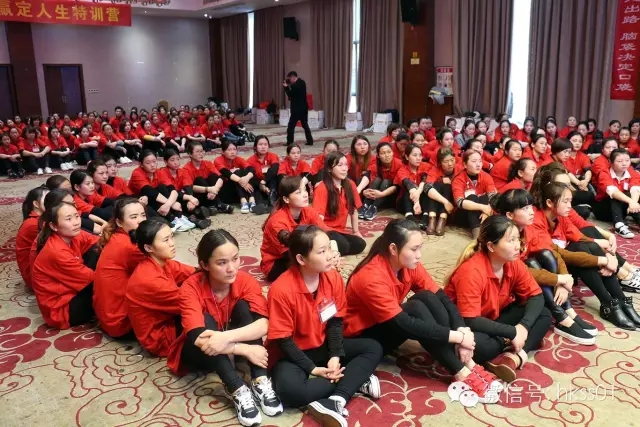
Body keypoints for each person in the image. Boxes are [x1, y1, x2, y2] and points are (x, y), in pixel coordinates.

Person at [344, 219, 503, 402]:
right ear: (393, 249)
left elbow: (441, 297)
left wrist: (462, 329)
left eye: (420, 248)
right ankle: (460, 372)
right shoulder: (370, 277)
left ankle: (468, 363)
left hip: (386, 323)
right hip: (362, 338)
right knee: (415, 308)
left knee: (426, 297)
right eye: (414, 249)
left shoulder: (408, 265)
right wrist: (457, 337)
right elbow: (404, 323)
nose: (419, 255)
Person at [267, 226, 382, 426]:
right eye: (322, 252)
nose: (330, 256)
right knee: (291, 393)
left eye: (329, 248)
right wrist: (313, 369)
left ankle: (338, 397)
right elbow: (284, 341)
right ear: (301, 259)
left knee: (373, 347)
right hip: (292, 354)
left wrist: (335, 355)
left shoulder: (332, 277)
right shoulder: (281, 290)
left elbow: (335, 321)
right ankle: (354, 379)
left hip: (321, 344)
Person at [167, 230, 282, 427]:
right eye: (221, 263)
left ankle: (260, 380)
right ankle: (237, 388)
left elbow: (264, 324)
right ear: (205, 265)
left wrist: (225, 338)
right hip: (198, 352)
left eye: (235, 259)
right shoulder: (191, 287)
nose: (231, 268)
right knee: (205, 320)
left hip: (224, 339)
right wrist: (243, 348)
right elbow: (198, 337)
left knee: (244, 308)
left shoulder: (244, 280)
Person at [445, 216, 552, 382]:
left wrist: (523, 327)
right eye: (511, 240)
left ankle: (514, 358)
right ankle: (514, 345)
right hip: (465, 327)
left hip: (492, 317)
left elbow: (536, 296)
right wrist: (512, 333)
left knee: (544, 313)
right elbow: (470, 320)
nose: (518, 246)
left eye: (518, 239)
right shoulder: (471, 272)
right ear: (491, 246)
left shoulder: (512, 262)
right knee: (480, 347)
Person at [492, 189, 597, 345]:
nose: (531, 212)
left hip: (522, 279)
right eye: (525, 208)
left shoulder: (528, 229)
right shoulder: (502, 237)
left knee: (545, 255)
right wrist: (557, 279)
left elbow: (554, 252)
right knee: (531, 264)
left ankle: (567, 311)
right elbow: (518, 270)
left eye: (531, 206)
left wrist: (564, 279)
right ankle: (562, 318)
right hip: (506, 287)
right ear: (509, 215)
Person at [530, 182, 639, 329]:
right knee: (579, 251)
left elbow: (580, 237)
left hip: (562, 263)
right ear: (549, 202)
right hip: (546, 268)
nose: (570, 206)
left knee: (587, 245)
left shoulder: (560, 216)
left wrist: (608, 255)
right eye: (565, 201)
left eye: (570, 201)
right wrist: (602, 260)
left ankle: (620, 300)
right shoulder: (536, 221)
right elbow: (560, 255)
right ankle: (608, 303)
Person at [126, 218, 196, 356]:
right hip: (159, 337)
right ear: (148, 248)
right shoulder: (149, 279)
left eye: (171, 237)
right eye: (165, 240)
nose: (172, 243)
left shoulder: (162, 262)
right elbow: (189, 303)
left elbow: (194, 272)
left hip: (167, 318)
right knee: (208, 312)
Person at [31, 201, 100, 329]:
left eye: (77, 216)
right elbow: (93, 278)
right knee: (108, 283)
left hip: (72, 290)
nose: (76, 222)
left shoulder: (72, 234)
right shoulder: (56, 251)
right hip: (63, 309)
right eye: (68, 219)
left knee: (98, 251)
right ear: (54, 226)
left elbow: (99, 242)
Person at [94, 198, 147, 339]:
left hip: (108, 316)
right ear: (119, 222)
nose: (141, 221)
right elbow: (166, 268)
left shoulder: (118, 237)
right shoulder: (129, 246)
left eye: (143, 215)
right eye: (134, 217)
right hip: (122, 322)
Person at [260, 176, 331, 281]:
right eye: (298, 192)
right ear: (286, 199)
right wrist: (322, 259)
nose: (305, 194)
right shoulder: (277, 221)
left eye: (305, 190)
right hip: (277, 262)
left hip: (301, 252)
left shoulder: (308, 211)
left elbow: (324, 233)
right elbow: (289, 253)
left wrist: (333, 252)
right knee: (317, 269)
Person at [312, 151, 367, 256]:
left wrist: (356, 231)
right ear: (329, 169)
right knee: (344, 245)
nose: (344, 168)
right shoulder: (322, 188)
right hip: (326, 230)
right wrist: (321, 237)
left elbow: (354, 210)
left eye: (346, 164)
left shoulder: (350, 184)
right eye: (340, 165)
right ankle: (327, 249)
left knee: (360, 244)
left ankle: (331, 249)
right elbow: (318, 219)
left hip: (340, 231)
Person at [593, 148, 640, 238]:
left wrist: (633, 203)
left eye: (627, 160)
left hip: (622, 210)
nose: (624, 163)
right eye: (620, 161)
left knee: (635, 195)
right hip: (603, 210)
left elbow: (635, 188)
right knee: (616, 196)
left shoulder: (632, 172)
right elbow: (613, 192)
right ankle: (619, 225)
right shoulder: (604, 173)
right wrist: (631, 202)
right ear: (611, 162)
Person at [214, 140, 269, 214]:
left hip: (238, 189)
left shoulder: (238, 159)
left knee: (247, 173)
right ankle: (243, 200)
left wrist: (247, 178)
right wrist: (242, 181)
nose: (232, 152)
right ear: (223, 152)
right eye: (229, 150)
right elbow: (226, 173)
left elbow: (251, 169)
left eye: (234, 149)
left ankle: (251, 199)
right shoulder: (218, 160)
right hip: (226, 190)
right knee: (238, 172)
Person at [452, 150, 497, 238]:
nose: (478, 164)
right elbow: (460, 202)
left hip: (482, 214)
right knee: (472, 197)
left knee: (485, 198)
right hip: (462, 215)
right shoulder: (458, 179)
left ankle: (481, 229)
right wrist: (483, 207)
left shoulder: (486, 176)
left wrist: (487, 211)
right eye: (474, 161)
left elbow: (493, 197)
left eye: (480, 161)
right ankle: (478, 235)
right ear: (465, 164)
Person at [180, 141, 234, 215]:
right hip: (199, 196)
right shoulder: (186, 169)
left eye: (202, 151)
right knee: (199, 180)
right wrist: (209, 189)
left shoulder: (207, 163)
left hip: (213, 194)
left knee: (213, 176)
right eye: (197, 152)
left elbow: (221, 177)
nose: (201, 154)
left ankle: (214, 205)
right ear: (190, 154)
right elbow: (190, 187)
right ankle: (217, 204)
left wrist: (214, 189)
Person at [16, 186, 49, 288]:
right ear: (36, 204)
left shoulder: (41, 218)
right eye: (47, 199)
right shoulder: (32, 224)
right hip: (34, 276)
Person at [361, 142, 401, 221]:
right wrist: (364, 191)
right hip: (377, 193)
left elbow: (397, 186)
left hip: (392, 195)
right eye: (383, 153)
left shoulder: (399, 164)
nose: (387, 155)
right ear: (378, 155)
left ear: (393, 152)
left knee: (386, 181)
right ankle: (366, 204)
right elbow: (371, 181)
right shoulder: (375, 165)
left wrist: (382, 194)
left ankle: (374, 207)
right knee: (377, 180)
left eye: (389, 152)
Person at [246, 135, 280, 206]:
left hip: (271, 183)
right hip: (258, 185)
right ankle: (261, 203)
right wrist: (261, 185)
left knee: (273, 173)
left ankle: (272, 194)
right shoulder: (250, 160)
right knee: (252, 180)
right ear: (255, 147)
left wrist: (264, 181)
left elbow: (275, 168)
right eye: (260, 144)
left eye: (265, 144)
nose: (263, 147)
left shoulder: (272, 156)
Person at [283, 71, 313, 146]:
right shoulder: (302, 82)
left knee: (291, 126)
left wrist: (286, 87)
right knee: (305, 125)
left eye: (289, 79)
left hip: (296, 109)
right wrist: (288, 86)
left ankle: (290, 142)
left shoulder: (295, 85)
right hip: (303, 108)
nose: (289, 80)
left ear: (293, 77)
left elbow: (290, 94)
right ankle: (310, 141)